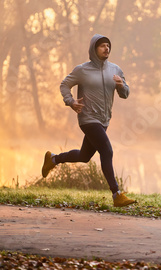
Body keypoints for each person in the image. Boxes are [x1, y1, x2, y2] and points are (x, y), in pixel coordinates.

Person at [42, 34, 135, 207]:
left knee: (84, 156)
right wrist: (70, 101)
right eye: (102, 46)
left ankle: (53, 159)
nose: (106, 48)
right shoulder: (82, 70)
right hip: (88, 118)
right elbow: (64, 85)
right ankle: (117, 194)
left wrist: (122, 85)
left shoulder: (115, 69)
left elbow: (126, 94)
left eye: (108, 46)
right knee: (107, 151)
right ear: (94, 49)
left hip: (104, 120)